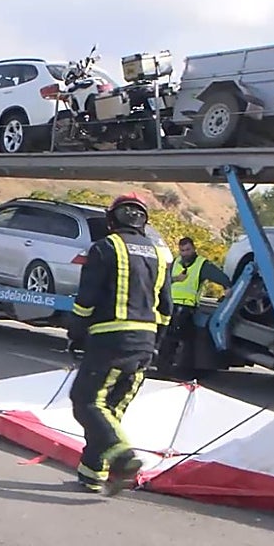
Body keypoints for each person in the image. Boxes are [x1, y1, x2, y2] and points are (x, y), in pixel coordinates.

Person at [67, 193, 173, 496]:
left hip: (110, 339)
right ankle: (92, 474)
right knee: (108, 410)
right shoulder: (159, 255)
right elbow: (167, 307)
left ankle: (124, 458)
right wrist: (155, 343)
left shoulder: (105, 247)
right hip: (144, 342)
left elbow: (86, 299)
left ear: (111, 219)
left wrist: (76, 332)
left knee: (85, 400)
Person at [155, 237, 233, 380]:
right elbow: (164, 279)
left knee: (182, 341)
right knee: (168, 340)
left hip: (187, 307)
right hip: (171, 305)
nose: (185, 253)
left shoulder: (201, 264)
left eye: (188, 250)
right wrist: (176, 279)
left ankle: (178, 371)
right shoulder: (176, 263)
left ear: (194, 249)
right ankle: (163, 369)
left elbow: (219, 276)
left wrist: (227, 286)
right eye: (182, 250)